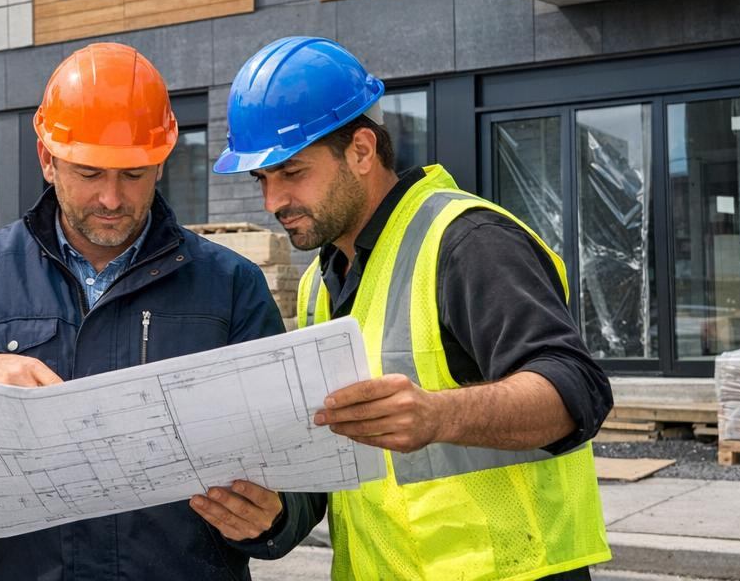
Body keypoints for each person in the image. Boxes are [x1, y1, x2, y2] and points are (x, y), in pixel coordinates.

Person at [0, 42, 316, 579]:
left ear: (160, 163)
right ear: (48, 160)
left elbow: (302, 457)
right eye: (90, 174)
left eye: (133, 174)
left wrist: (275, 518)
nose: (112, 199)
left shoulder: (231, 287)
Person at [213, 37, 614, 581]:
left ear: (360, 151)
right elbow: (338, 467)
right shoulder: (318, 286)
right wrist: (272, 518)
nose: (272, 201)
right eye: (262, 179)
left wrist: (439, 415)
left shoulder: (467, 242)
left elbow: (576, 390)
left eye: (292, 172)